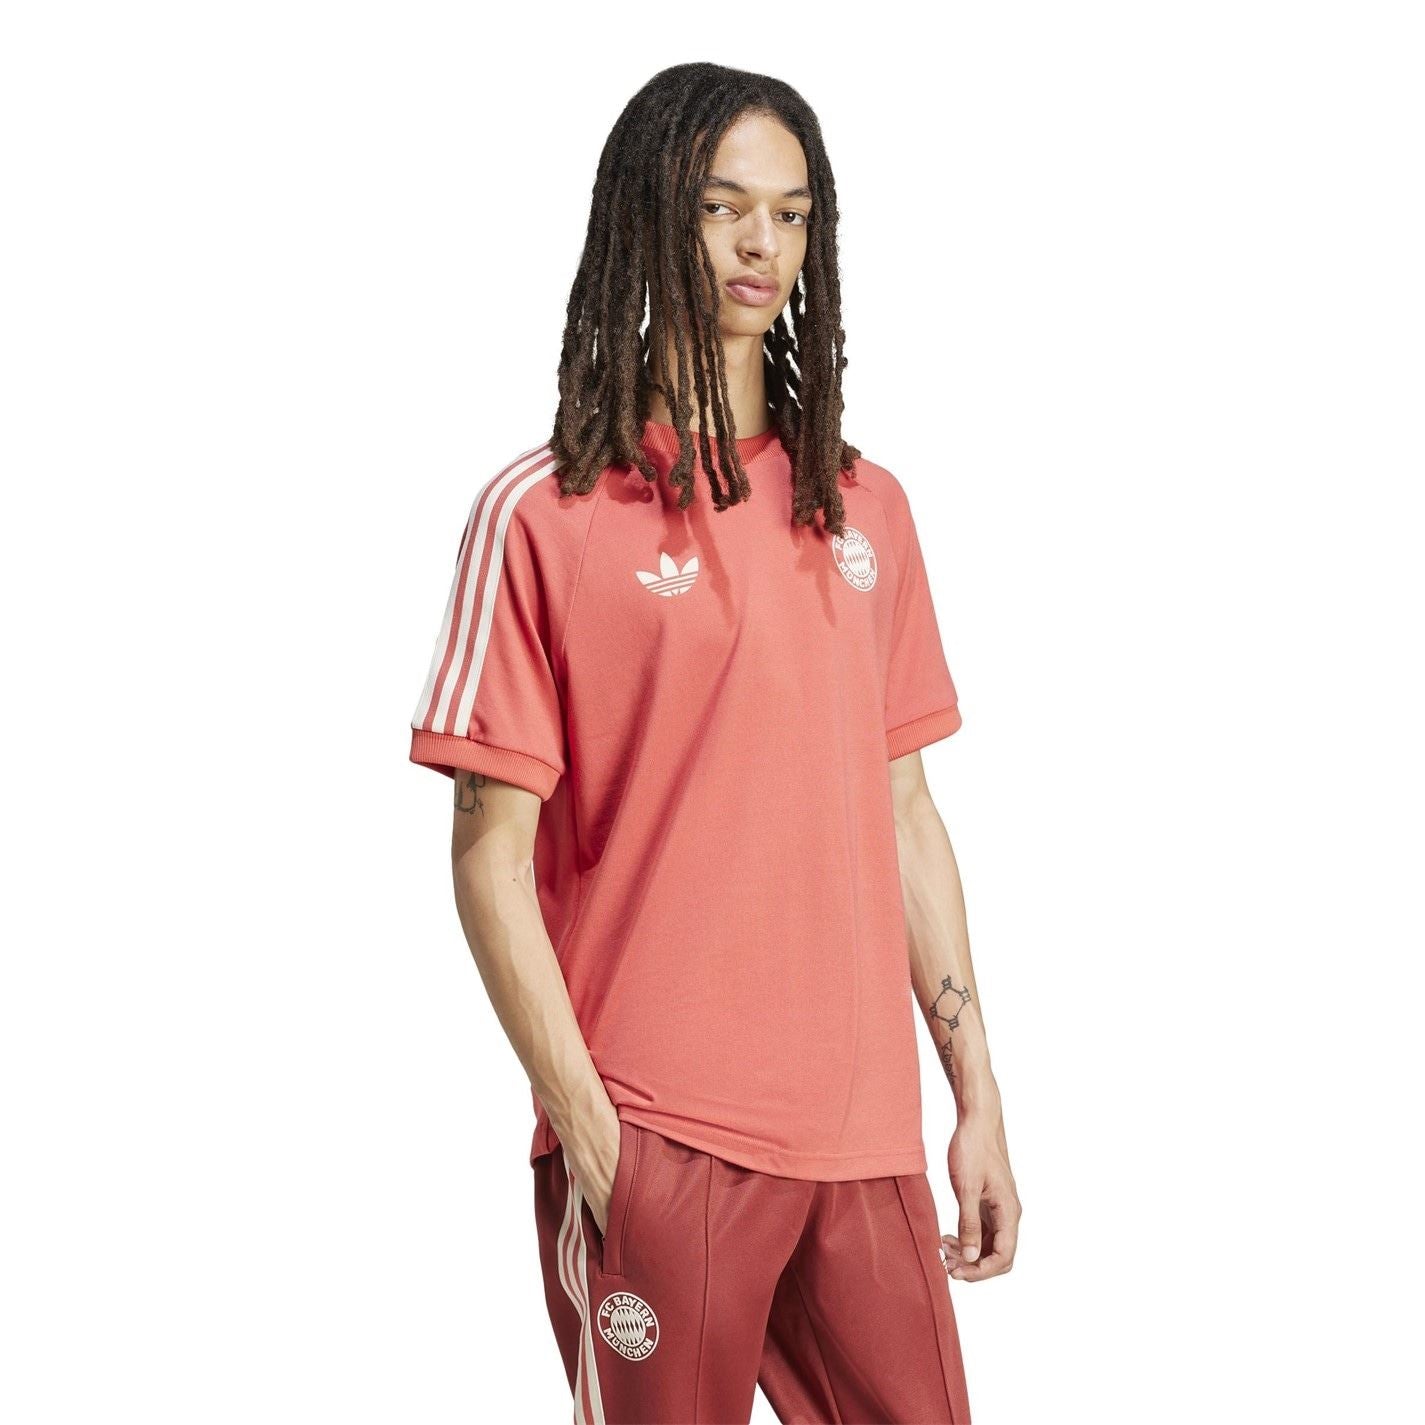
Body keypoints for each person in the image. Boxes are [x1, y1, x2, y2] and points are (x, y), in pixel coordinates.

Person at [408, 60, 1020, 1425]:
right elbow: (487, 860)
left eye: (792, 214)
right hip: (660, 1129)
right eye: (723, 206)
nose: (762, 244)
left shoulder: (865, 508)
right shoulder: (546, 512)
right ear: (651, 215)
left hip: (863, 1139)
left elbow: (905, 812)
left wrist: (974, 1094)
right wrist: (596, 1138)